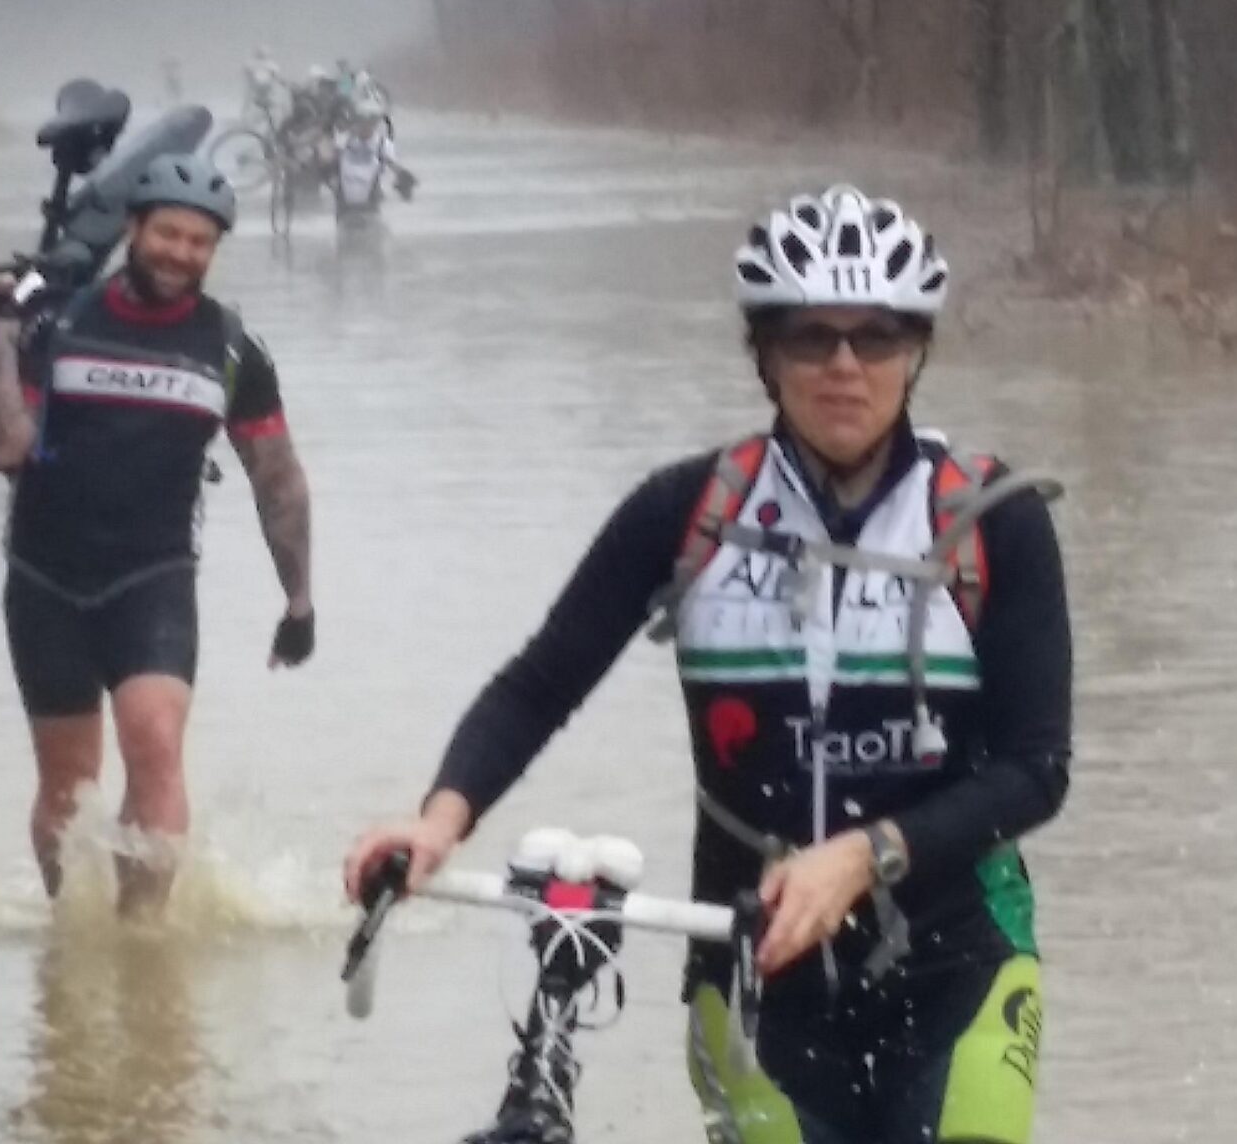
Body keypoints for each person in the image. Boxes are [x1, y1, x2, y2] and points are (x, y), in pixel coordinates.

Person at [342, 185, 1072, 1144]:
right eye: (810, 337)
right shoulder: (686, 514)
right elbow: (542, 682)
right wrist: (438, 820)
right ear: (764, 355)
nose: (844, 366)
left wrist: (863, 855)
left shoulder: (995, 522)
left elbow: (1035, 769)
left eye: (876, 337)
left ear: (916, 350)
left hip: (958, 964)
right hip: (751, 971)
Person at [0, 153, 317, 914]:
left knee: (156, 747)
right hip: (45, 577)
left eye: (200, 242)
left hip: (152, 577)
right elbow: (2, 447)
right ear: (133, 229)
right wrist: (3, 332)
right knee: (67, 785)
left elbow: (278, 478)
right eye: (168, 234)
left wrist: (299, 601)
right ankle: (71, 931)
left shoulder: (230, 348)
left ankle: (143, 942)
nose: (181, 254)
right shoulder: (59, 323)